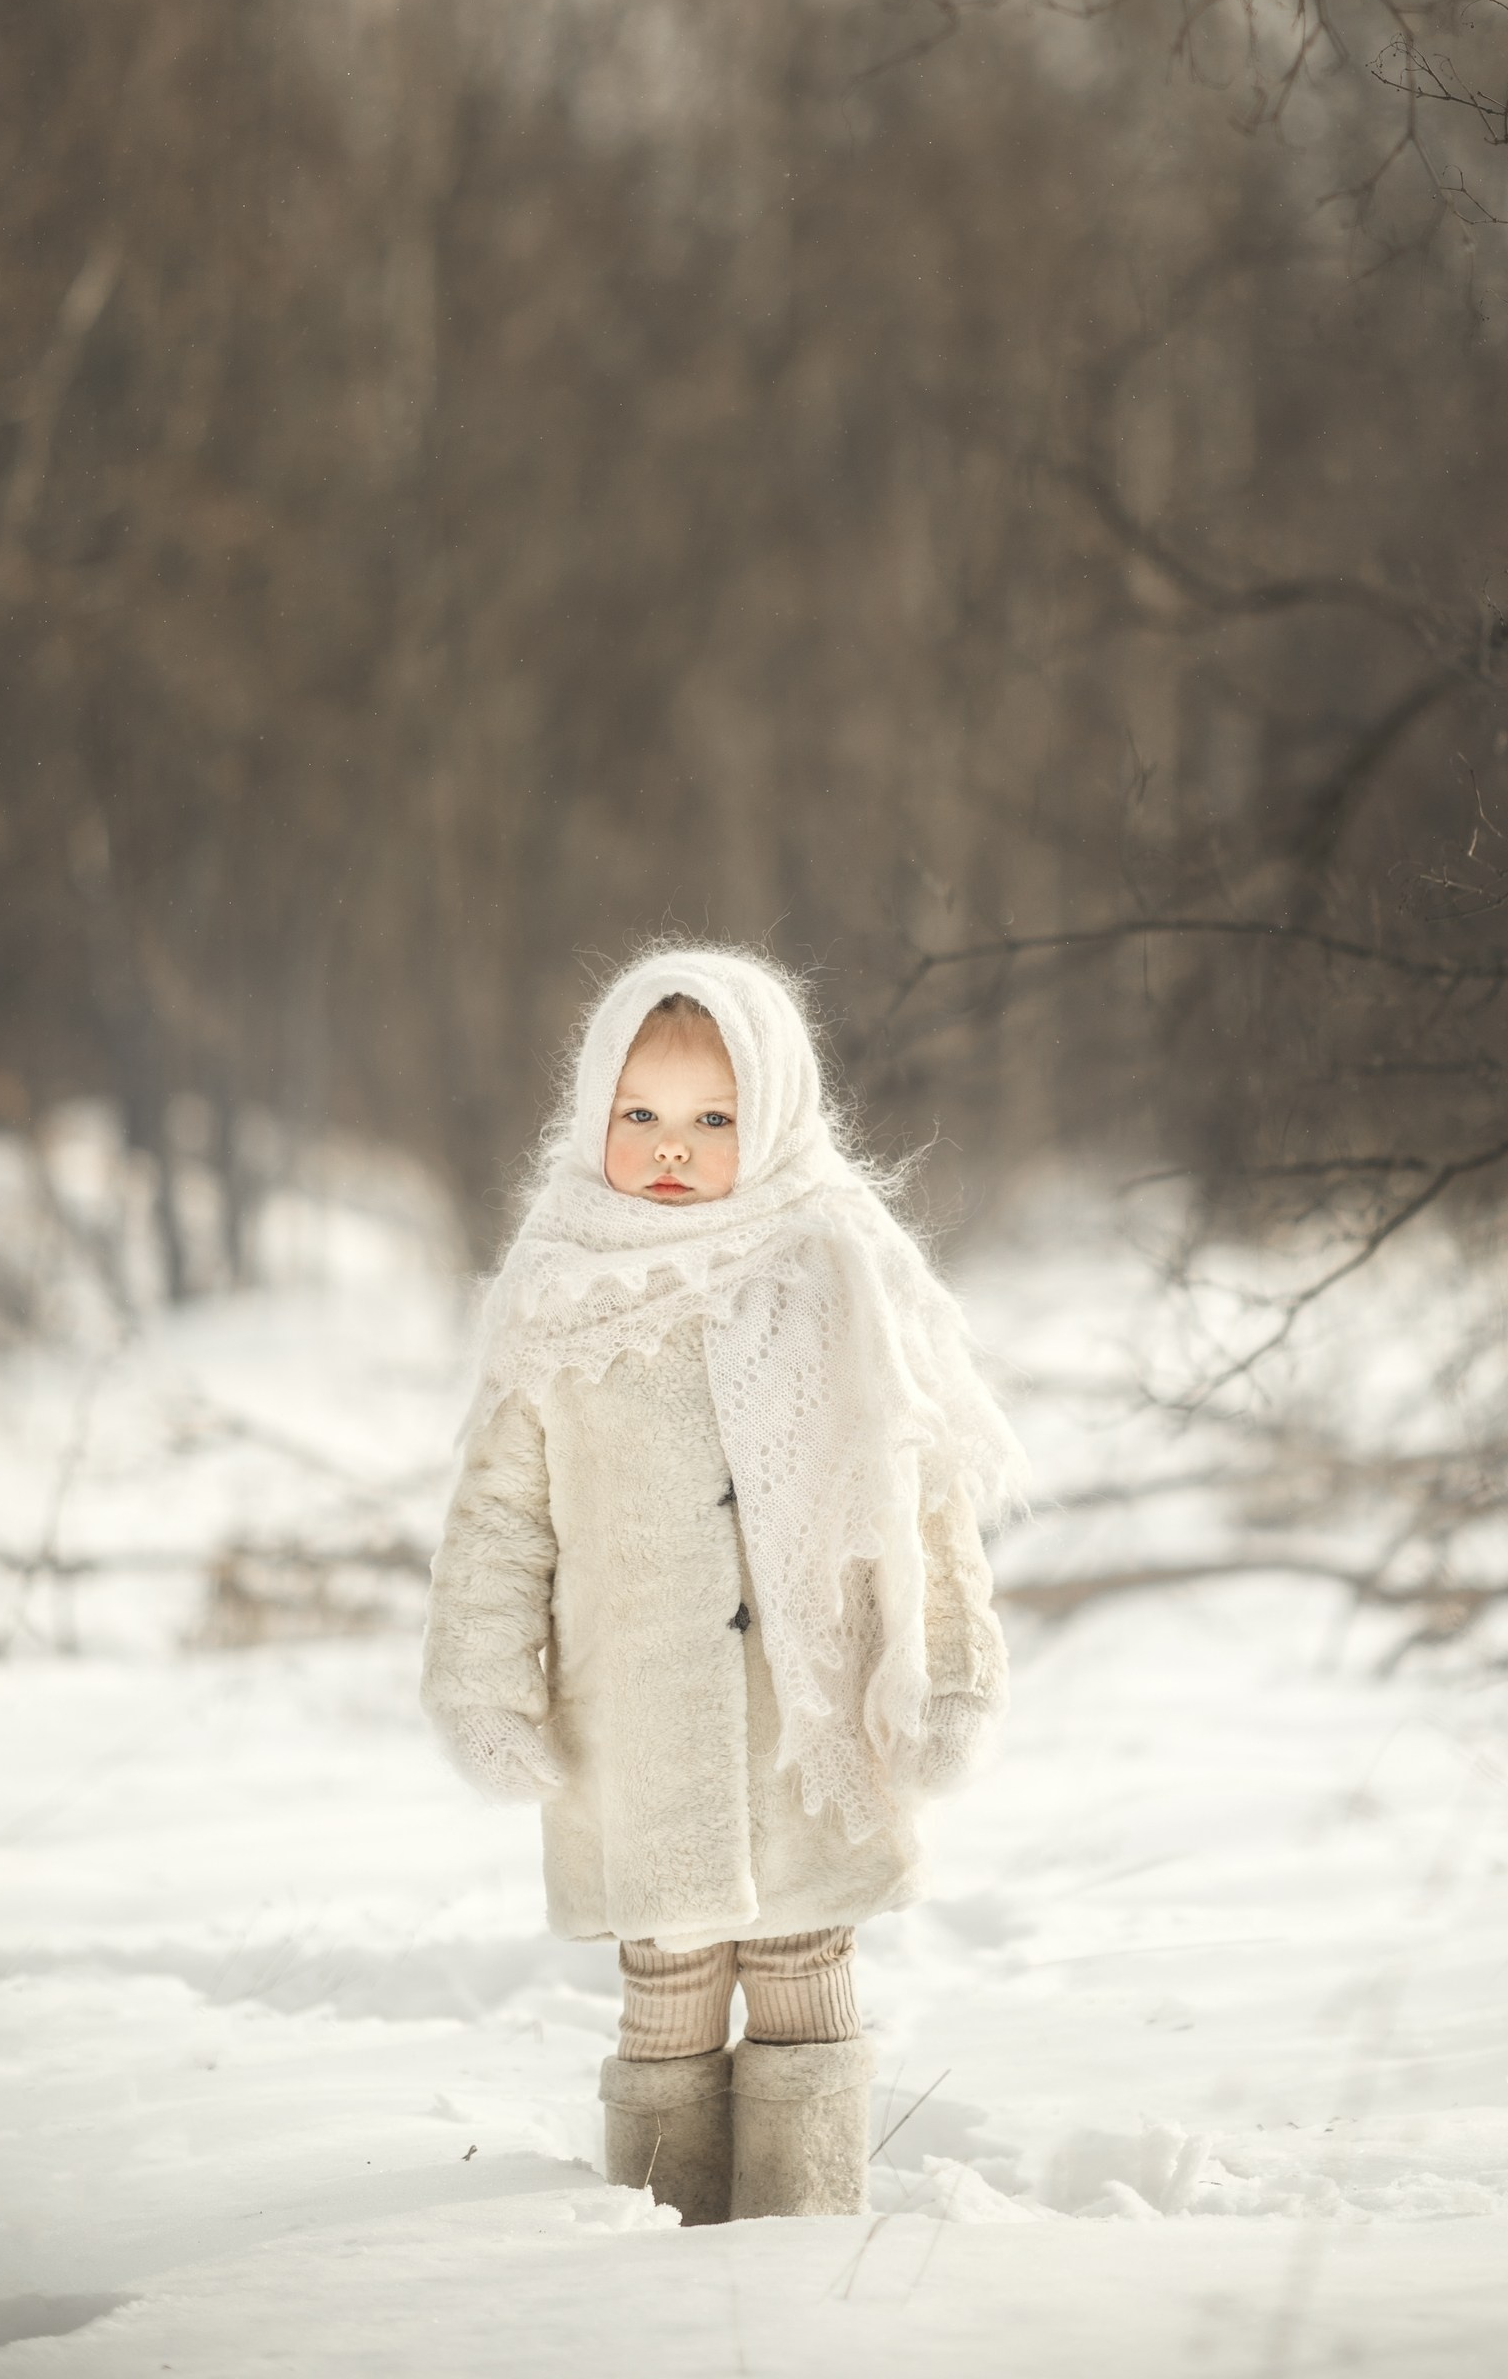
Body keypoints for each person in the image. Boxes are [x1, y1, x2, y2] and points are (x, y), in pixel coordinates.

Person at [419, 946, 1023, 2225]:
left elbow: (924, 1494)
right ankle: (660, 2231)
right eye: (640, 1115)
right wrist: (483, 1684)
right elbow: (498, 1519)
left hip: (812, 1721)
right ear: (593, 1112)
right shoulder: (557, 1289)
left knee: (805, 1953)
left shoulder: (837, 1267)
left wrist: (953, 1673)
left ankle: (802, 2235)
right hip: (636, 1723)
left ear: (776, 1113)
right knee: (671, 1970)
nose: (672, 1148)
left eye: (713, 1118)